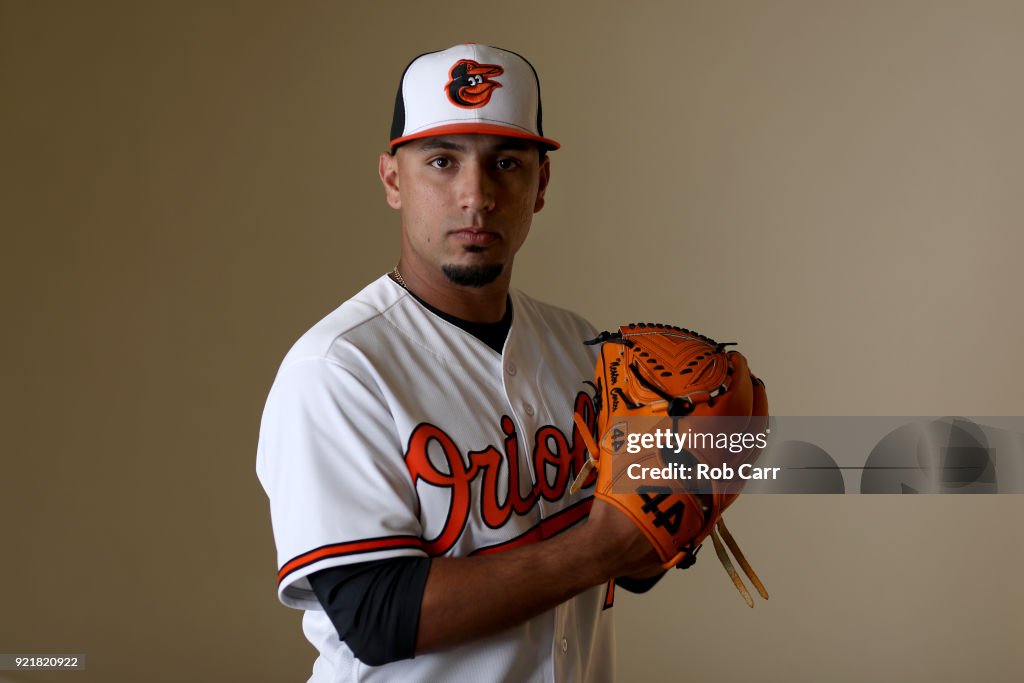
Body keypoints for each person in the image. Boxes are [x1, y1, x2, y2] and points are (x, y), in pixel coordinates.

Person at [256, 43, 665, 683]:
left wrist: (694, 483)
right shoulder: (339, 369)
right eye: (442, 162)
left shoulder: (580, 346)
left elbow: (634, 563)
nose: (476, 196)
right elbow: (376, 615)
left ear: (541, 185)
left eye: (506, 163)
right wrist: (600, 547)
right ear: (394, 179)